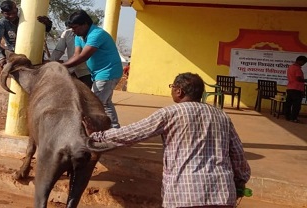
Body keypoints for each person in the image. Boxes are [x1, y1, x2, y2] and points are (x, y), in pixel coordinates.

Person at [82, 72, 251, 208]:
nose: (172, 91)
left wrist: (97, 136)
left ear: (179, 91)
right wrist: (240, 181)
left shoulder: (170, 114)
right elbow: (237, 154)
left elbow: (132, 133)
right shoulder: (221, 116)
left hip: (185, 194)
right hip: (222, 193)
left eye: (172, 87)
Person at [63, 10, 123, 128]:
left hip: (108, 72)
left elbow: (83, 56)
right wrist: (63, 67)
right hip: (98, 73)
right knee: (104, 103)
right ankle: (114, 129)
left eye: (75, 27)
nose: (73, 31)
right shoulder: (79, 36)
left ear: (85, 24)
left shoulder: (96, 34)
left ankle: (107, 131)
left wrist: (60, 66)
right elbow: (76, 55)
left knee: (95, 104)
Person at [0, 0, 52, 67]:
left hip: (34, 55)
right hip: (14, 55)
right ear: (2, 13)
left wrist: (47, 23)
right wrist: (0, 58)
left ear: (17, 9)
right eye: (8, 14)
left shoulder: (27, 17)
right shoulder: (2, 23)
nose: (11, 16)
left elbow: (46, 30)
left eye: (14, 13)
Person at [285, 55, 307, 123]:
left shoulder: (290, 67)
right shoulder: (297, 68)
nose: (303, 64)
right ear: (300, 61)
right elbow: (299, 79)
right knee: (296, 105)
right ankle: (293, 118)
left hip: (290, 88)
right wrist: (306, 80)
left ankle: (288, 117)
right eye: (303, 62)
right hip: (296, 89)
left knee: (289, 104)